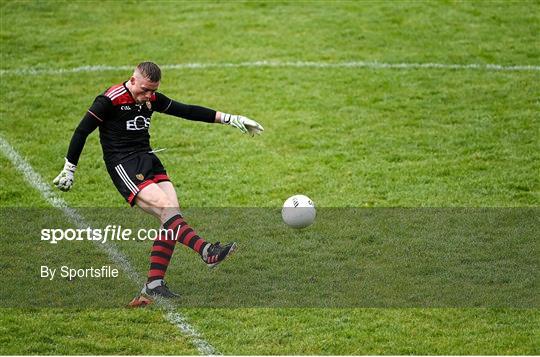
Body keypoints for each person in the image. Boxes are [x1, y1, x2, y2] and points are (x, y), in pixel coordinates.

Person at [53, 61, 263, 306]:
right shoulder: (109, 100)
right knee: (166, 209)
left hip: (148, 159)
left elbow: (187, 111)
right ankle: (206, 251)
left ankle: (153, 286)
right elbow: (82, 131)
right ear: (132, 80)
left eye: (152, 91)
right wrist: (70, 168)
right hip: (124, 164)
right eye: (143, 90)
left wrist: (231, 118)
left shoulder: (151, 98)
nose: (148, 96)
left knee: (172, 214)